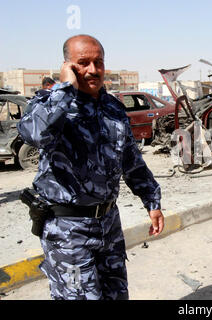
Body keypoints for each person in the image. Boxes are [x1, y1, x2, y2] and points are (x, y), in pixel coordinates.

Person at [17, 34, 164, 300]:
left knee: (116, 295)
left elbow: (131, 161)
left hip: (108, 226)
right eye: (83, 63)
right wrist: (64, 89)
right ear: (67, 66)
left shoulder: (113, 109)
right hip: (67, 232)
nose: (93, 70)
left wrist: (151, 200)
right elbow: (35, 134)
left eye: (99, 62)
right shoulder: (49, 105)